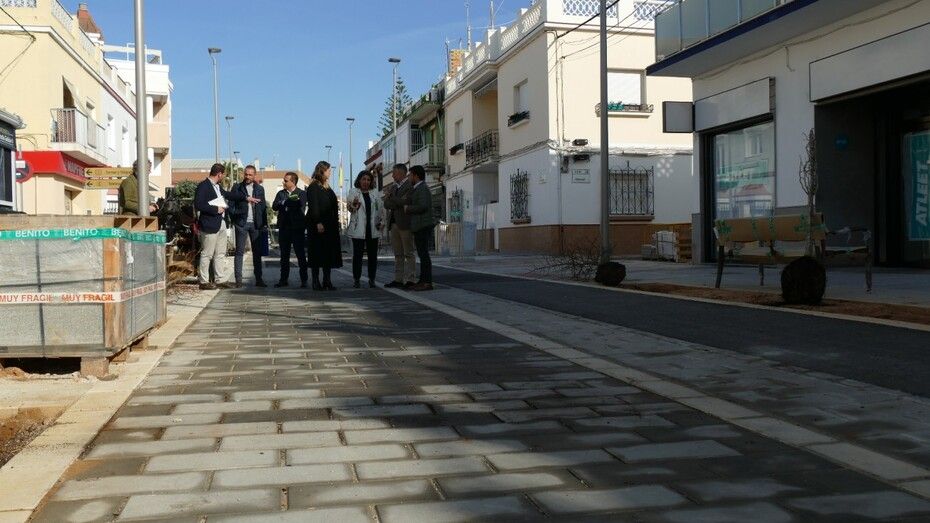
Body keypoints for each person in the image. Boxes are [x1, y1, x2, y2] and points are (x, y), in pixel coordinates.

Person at [194, 163, 260, 290]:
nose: (224, 176)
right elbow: (198, 204)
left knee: (220, 253)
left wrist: (246, 198)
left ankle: (220, 279)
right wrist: (215, 209)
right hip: (209, 225)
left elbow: (229, 195)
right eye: (223, 174)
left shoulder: (217, 187)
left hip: (221, 223)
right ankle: (203, 281)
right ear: (219, 174)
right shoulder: (203, 186)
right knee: (207, 254)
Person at [305, 161, 343, 290]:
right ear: (322, 171)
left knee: (328, 253)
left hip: (330, 226)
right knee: (316, 253)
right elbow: (314, 206)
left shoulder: (327, 187)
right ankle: (315, 281)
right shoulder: (313, 186)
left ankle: (327, 280)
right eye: (328, 170)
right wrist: (318, 222)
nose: (330, 172)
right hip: (318, 225)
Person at [229, 165, 267, 288]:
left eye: (250, 174)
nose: (248, 176)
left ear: (254, 175)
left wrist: (264, 224)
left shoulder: (260, 189)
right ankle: (238, 280)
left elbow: (263, 207)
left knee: (257, 252)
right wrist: (235, 218)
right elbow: (231, 206)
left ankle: (259, 279)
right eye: (246, 174)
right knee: (239, 252)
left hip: (256, 224)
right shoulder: (237, 187)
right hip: (241, 223)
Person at [346, 170, 384, 288]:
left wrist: (381, 222)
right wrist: (354, 205)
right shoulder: (353, 192)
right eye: (364, 179)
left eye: (368, 180)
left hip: (372, 229)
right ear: (359, 180)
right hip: (359, 228)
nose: (366, 182)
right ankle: (356, 279)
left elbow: (380, 209)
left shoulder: (375, 193)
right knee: (358, 256)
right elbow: (350, 208)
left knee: (373, 256)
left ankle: (372, 279)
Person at [272, 172, 309, 288]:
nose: (283, 182)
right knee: (284, 256)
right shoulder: (280, 193)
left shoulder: (301, 193)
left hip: (297, 228)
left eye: (286, 180)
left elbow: (299, 204)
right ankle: (283, 280)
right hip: (284, 228)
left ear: (293, 182)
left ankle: (304, 280)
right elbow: (274, 206)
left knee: (300, 255)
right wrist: (285, 202)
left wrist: (284, 202)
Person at [382, 164, 416, 289]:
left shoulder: (409, 186)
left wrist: (392, 198)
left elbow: (405, 202)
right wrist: (395, 200)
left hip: (405, 224)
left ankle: (411, 279)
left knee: (408, 252)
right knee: (398, 254)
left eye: (394, 173)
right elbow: (386, 204)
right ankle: (398, 279)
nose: (392, 175)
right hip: (394, 223)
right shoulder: (394, 187)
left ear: (401, 173)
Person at [405, 165, 435, 291]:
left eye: (410, 175)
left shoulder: (422, 188)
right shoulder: (417, 188)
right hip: (419, 225)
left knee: (424, 255)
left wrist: (408, 208)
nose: (408, 177)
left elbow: (423, 206)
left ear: (416, 176)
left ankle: (427, 282)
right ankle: (423, 281)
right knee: (422, 254)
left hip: (423, 225)